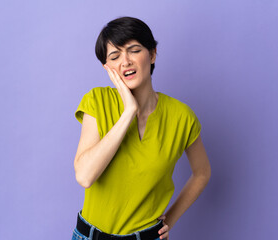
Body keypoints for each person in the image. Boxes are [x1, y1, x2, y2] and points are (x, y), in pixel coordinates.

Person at [72, 16, 211, 240]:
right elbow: (85, 176)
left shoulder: (181, 116)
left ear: (152, 54)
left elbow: (202, 173)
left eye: (134, 50)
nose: (125, 61)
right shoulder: (97, 101)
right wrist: (128, 112)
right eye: (115, 56)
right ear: (107, 68)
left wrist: (170, 220)